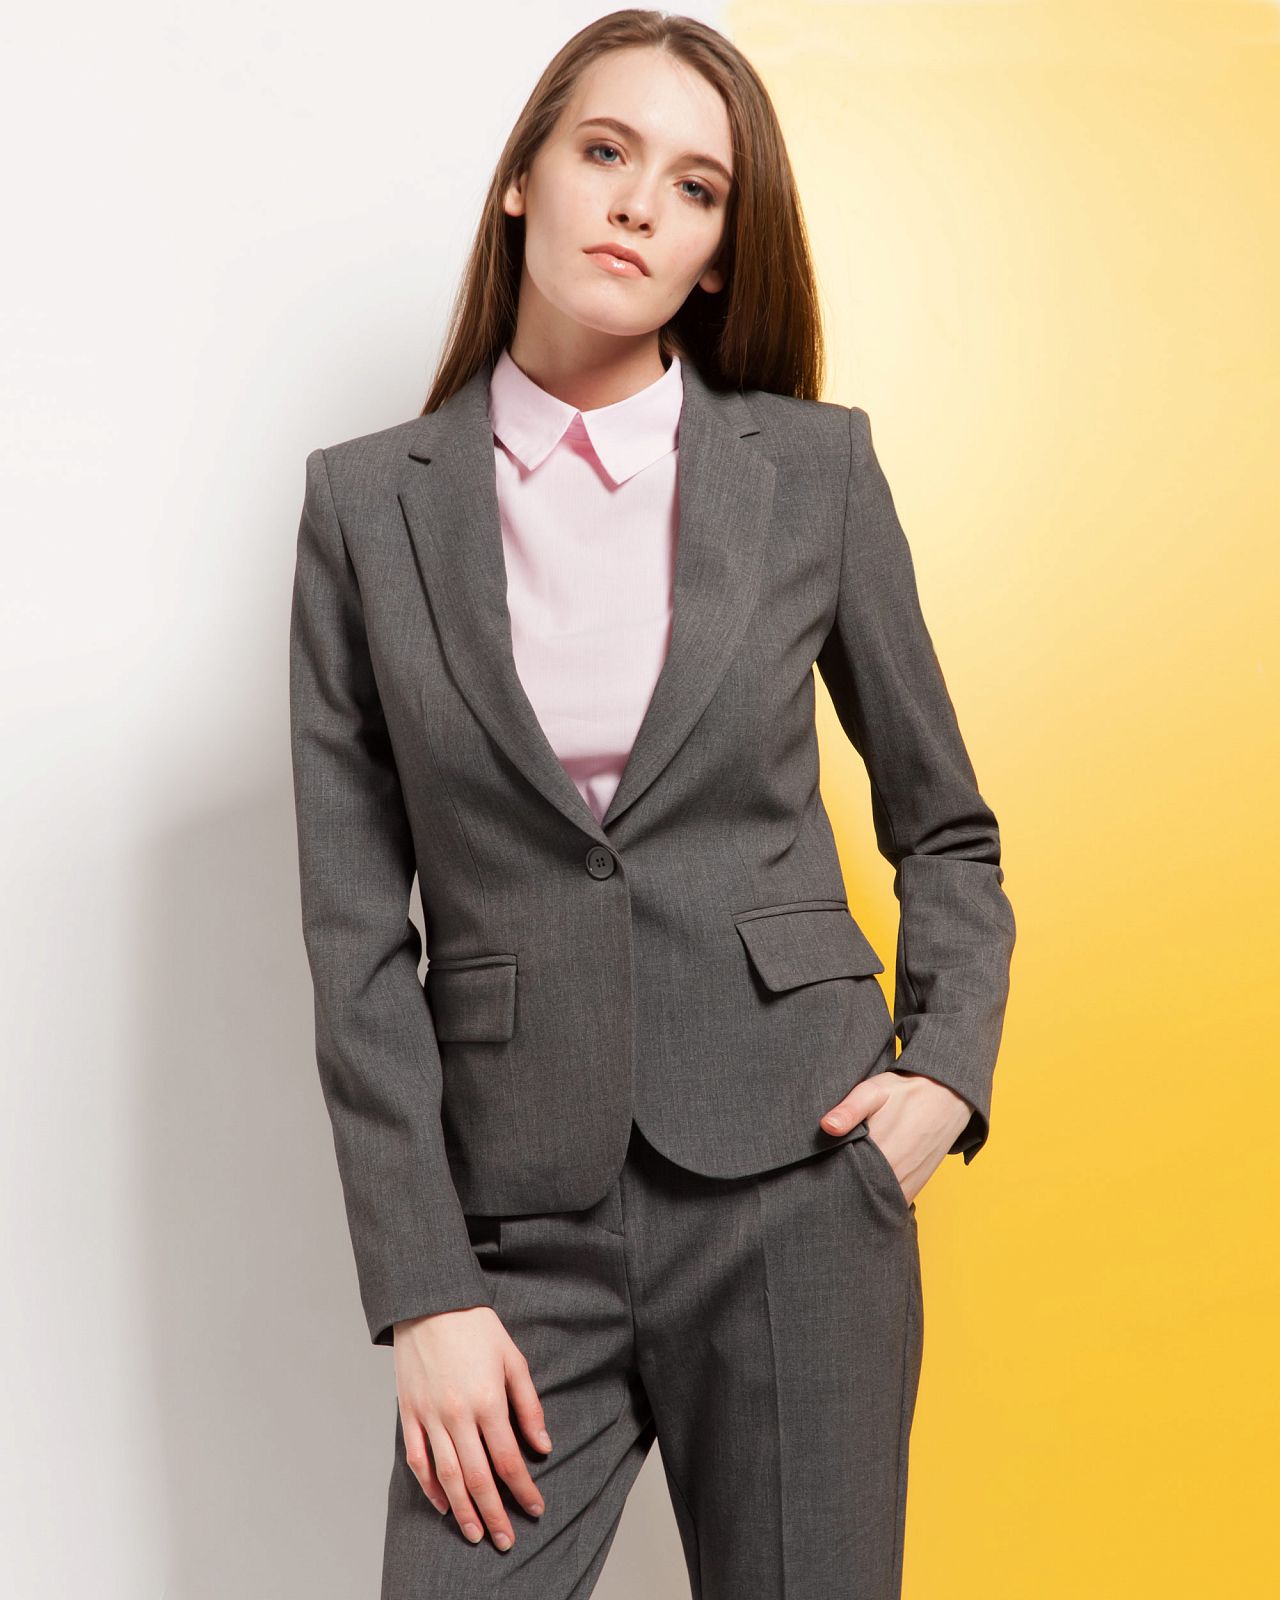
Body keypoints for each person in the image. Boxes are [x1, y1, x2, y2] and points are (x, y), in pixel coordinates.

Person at [288, 11, 1015, 1598]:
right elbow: (356, 942)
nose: (637, 204)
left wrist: (943, 1074)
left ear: (717, 256)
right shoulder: (366, 507)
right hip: (513, 1231)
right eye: (606, 152)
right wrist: (423, 1289)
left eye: (695, 188)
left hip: (796, 1188)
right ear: (523, 180)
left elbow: (945, 825)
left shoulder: (813, 473)